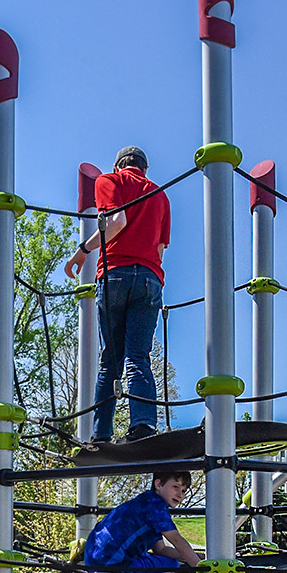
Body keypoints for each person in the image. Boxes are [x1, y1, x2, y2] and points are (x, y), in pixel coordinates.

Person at [66, 146, 171, 444]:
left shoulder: (109, 181)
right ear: (145, 170)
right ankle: (143, 426)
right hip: (149, 278)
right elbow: (160, 249)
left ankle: (101, 435)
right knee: (138, 356)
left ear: (118, 166)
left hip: (115, 274)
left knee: (110, 360)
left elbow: (117, 222)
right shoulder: (161, 196)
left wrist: (83, 250)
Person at [81, 470, 201, 573]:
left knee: (168, 561)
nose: (180, 494)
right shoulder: (156, 507)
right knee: (172, 565)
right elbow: (176, 539)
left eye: (184, 491)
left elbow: (161, 549)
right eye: (175, 487)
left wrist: (193, 556)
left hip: (92, 558)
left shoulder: (145, 501)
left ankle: (80, 556)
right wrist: (199, 566)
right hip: (112, 563)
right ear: (158, 484)